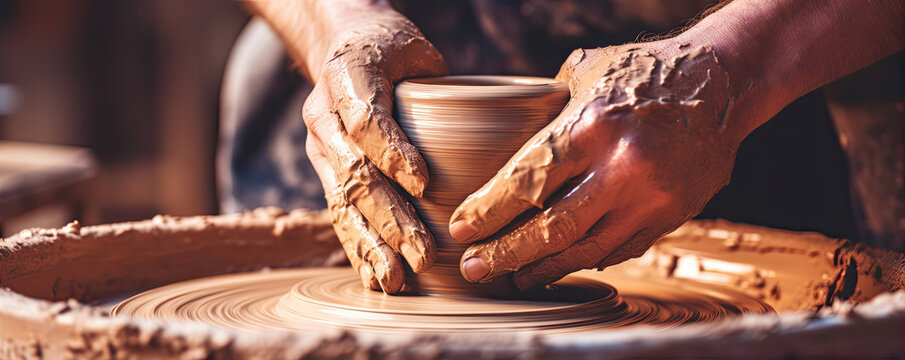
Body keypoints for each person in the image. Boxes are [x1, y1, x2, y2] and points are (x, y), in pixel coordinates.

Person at [219, 0, 904, 294]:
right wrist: (338, 22)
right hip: (427, 29)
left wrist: (739, 66)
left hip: (790, 40)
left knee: (853, 299)